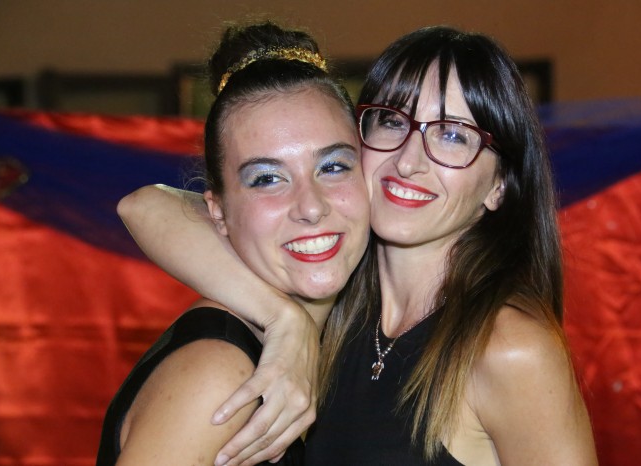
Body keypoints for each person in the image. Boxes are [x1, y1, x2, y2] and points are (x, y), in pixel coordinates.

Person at [119, 26, 597, 465]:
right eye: (392, 121)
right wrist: (285, 320)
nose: (409, 161)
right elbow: (146, 207)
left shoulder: (509, 348)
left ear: (499, 185)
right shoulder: (327, 298)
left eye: (453, 135)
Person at [96, 21, 370, 465]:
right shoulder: (220, 376)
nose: (311, 206)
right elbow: (140, 205)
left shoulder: (361, 324)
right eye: (267, 178)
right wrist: (286, 318)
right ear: (217, 212)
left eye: (334, 167)